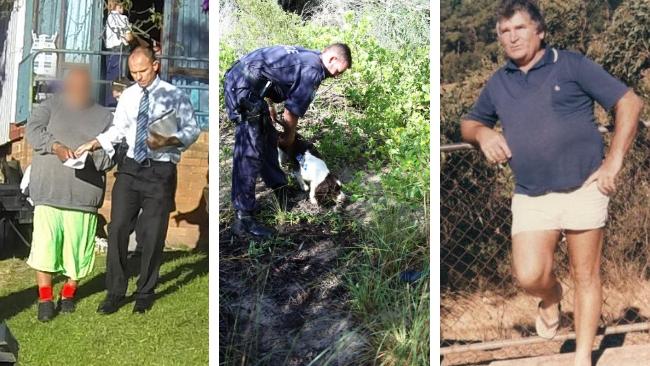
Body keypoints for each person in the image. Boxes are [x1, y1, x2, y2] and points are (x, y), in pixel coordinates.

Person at [460, 1, 644, 365]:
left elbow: (629, 102)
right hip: (531, 194)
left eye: (520, 29)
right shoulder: (499, 82)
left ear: (540, 31)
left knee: (586, 275)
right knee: (529, 276)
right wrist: (482, 134)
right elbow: (467, 123)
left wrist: (614, 161)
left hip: (585, 187)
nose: (511, 38)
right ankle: (550, 298)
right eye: (504, 32)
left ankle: (581, 357)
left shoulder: (571, 64)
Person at [76, 46, 200, 314]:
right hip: (131, 167)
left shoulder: (174, 95)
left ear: (155, 65)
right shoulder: (129, 96)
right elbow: (119, 129)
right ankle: (115, 291)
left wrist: (168, 140)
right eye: (133, 73)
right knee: (118, 227)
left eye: (142, 71)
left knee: (153, 233)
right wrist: (96, 143)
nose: (139, 77)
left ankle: (145, 291)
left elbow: (192, 130)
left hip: (160, 169)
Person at [224, 43, 351, 238]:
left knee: (267, 136)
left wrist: (268, 105)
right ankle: (244, 219)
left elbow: (267, 71)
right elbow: (292, 111)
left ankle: (280, 189)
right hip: (241, 85)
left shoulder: (310, 57)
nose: (336, 76)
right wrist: (289, 138)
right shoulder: (314, 70)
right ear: (332, 59)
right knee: (249, 149)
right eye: (337, 71)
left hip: (251, 84)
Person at [24, 67, 114, 322]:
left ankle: (68, 293)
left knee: (77, 251)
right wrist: (56, 147)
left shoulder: (105, 116)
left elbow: (111, 154)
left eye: (83, 85)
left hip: (83, 196)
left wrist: (91, 157)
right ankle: (44, 298)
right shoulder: (49, 106)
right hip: (49, 191)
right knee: (45, 249)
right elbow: (33, 131)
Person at [104, 1, 132, 106]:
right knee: (120, 80)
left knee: (110, 79)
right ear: (119, 6)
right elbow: (129, 37)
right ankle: (118, 106)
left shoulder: (109, 18)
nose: (124, 9)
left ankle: (109, 104)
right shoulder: (123, 18)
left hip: (110, 52)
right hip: (120, 52)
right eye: (123, 6)